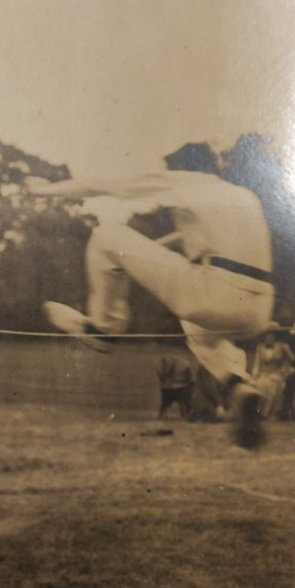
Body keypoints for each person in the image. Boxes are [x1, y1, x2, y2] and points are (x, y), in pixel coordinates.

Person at [30, 163, 275, 447]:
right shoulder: (244, 198)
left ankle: (103, 329)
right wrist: (131, 260)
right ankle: (238, 386)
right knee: (199, 332)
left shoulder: (188, 180)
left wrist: (47, 189)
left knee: (105, 235)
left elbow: (108, 184)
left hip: (215, 292)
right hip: (258, 308)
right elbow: (182, 240)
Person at [249, 324, 295, 418]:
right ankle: (259, 411)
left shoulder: (282, 346)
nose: (269, 337)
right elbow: (257, 363)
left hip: (277, 373)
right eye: (267, 335)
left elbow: (291, 359)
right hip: (264, 373)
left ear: (275, 336)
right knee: (259, 384)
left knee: (269, 385)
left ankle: (265, 413)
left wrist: (285, 368)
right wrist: (254, 375)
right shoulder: (260, 347)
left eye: (272, 335)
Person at [156, 353, 194, 419]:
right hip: (181, 388)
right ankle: (186, 414)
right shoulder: (184, 363)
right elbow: (189, 378)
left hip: (167, 388)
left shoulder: (161, 364)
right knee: (185, 400)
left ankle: (162, 414)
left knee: (165, 402)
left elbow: (161, 377)